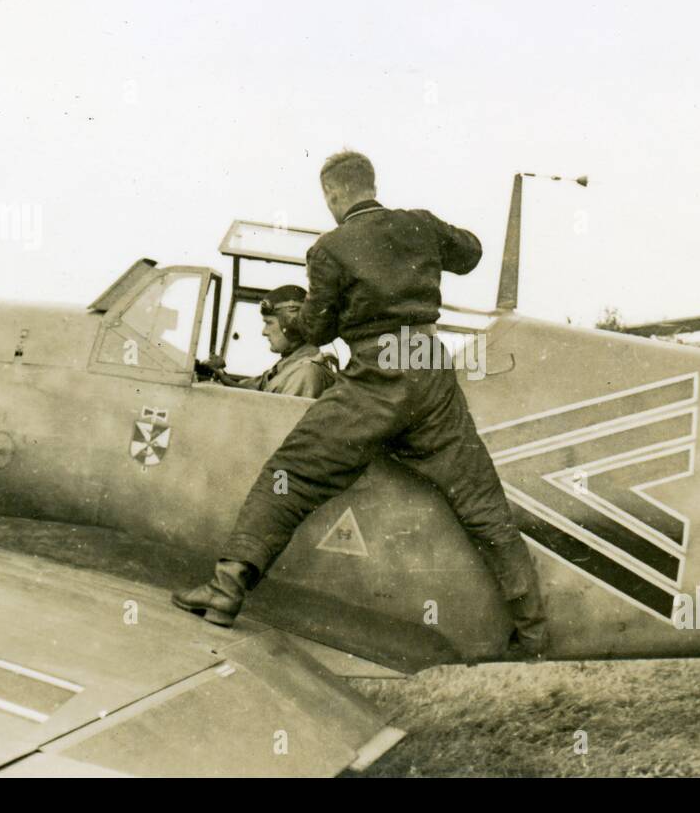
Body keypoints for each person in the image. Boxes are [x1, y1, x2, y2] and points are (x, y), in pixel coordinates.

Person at [173, 150, 548, 658]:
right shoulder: (419, 225)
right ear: (371, 184)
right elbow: (471, 253)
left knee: (291, 474)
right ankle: (533, 636)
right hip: (430, 375)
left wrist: (310, 315)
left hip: (374, 379)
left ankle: (225, 592)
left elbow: (320, 328)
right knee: (483, 507)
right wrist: (430, 242)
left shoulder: (330, 249)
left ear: (332, 194)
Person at [198, 285, 334, 398]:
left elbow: (279, 425)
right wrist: (220, 375)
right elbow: (255, 389)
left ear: (292, 325)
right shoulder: (288, 364)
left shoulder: (305, 373)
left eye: (269, 323)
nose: (264, 331)